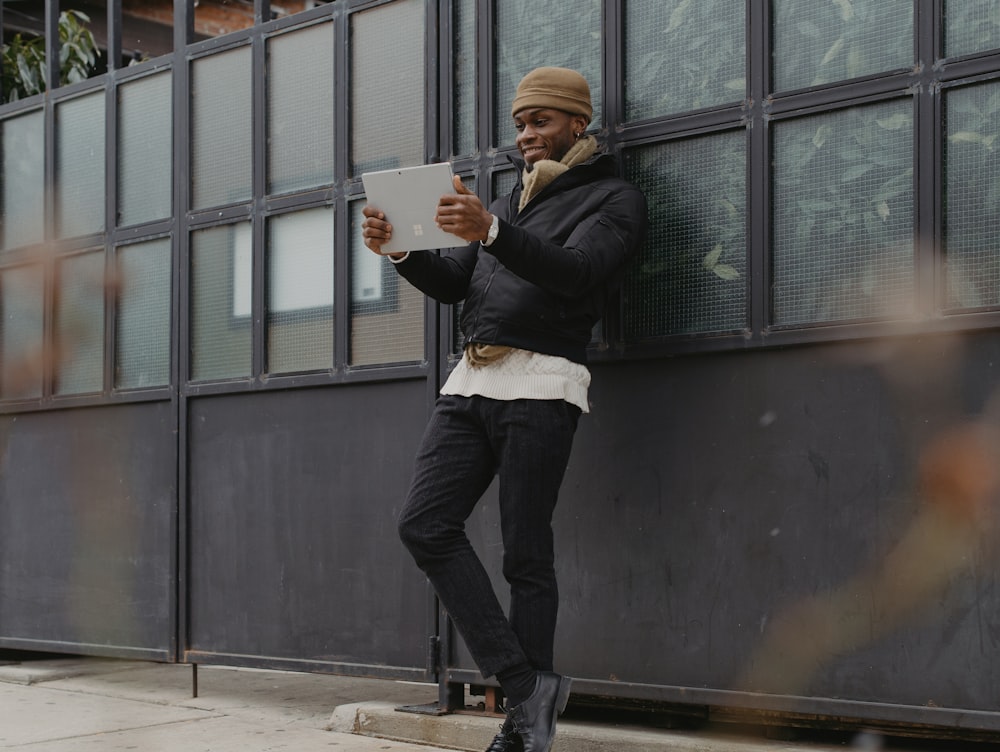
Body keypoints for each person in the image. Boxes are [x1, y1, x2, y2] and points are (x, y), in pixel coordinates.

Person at [362, 66, 647, 752]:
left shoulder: (615, 199)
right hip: (473, 381)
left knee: (526, 555)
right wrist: (400, 248)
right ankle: (526, 686)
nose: (525, 135)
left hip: (542, 383)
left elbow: (577, 272)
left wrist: (491, 229)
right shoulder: (509, 201)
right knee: (424, 525)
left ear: (579, 124)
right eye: (520, 123)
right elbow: (457, 282)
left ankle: (523, 731)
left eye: (541, 122)